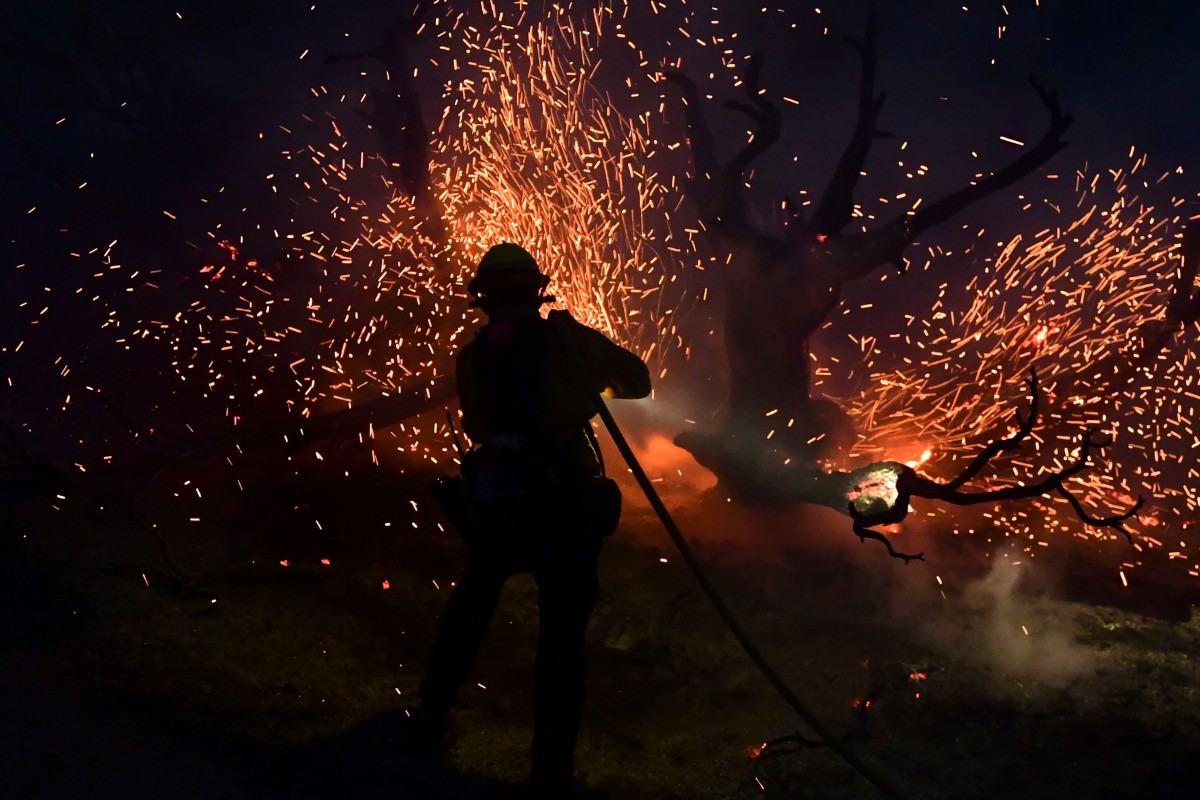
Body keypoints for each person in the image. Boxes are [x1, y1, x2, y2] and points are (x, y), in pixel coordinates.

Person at [412, 243, 650, 797]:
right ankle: (550, 775)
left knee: (469, 609)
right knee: (562, 646)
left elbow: (477, 424)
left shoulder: (472, 358)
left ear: (483, 298)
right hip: (565, 511)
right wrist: (586, 380)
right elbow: (638, 381)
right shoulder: (566, 342)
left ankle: (430, 716)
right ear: (536, 290)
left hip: (501, 508)